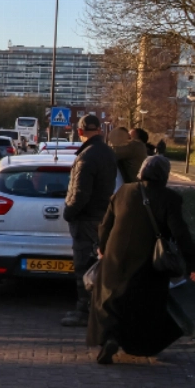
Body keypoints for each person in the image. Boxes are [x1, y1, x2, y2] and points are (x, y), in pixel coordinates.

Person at [87, 155, 195, 364]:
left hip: (115, 255)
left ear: (142, 171)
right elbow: (180, 233)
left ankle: (109, 339)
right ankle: (138, 345)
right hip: (148, 261)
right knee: (144, 304)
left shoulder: (124, 192)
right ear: (164, 175)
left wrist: (102, 248)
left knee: (108, 299)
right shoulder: (170, 198)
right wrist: (193, 263)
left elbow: (105, 224)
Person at [61, 114, 118, 327]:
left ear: (80, 132)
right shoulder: (107, 153)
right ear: (100, 130)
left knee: (83, 267)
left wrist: (69, 213)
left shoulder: (86, 157)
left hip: (85, 219)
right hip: (101, 216)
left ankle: (84, 312)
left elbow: (80, 193)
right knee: (95, 266)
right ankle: (94, 309)